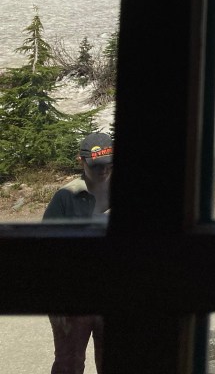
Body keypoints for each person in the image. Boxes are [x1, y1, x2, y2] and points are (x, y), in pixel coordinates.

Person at [42, 131, 113, 374]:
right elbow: (46, 250)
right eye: (96, 166)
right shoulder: (66, 197)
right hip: (72, 296)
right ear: (80, 161)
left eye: (108, 164)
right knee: (69, 364)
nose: (103, 171)